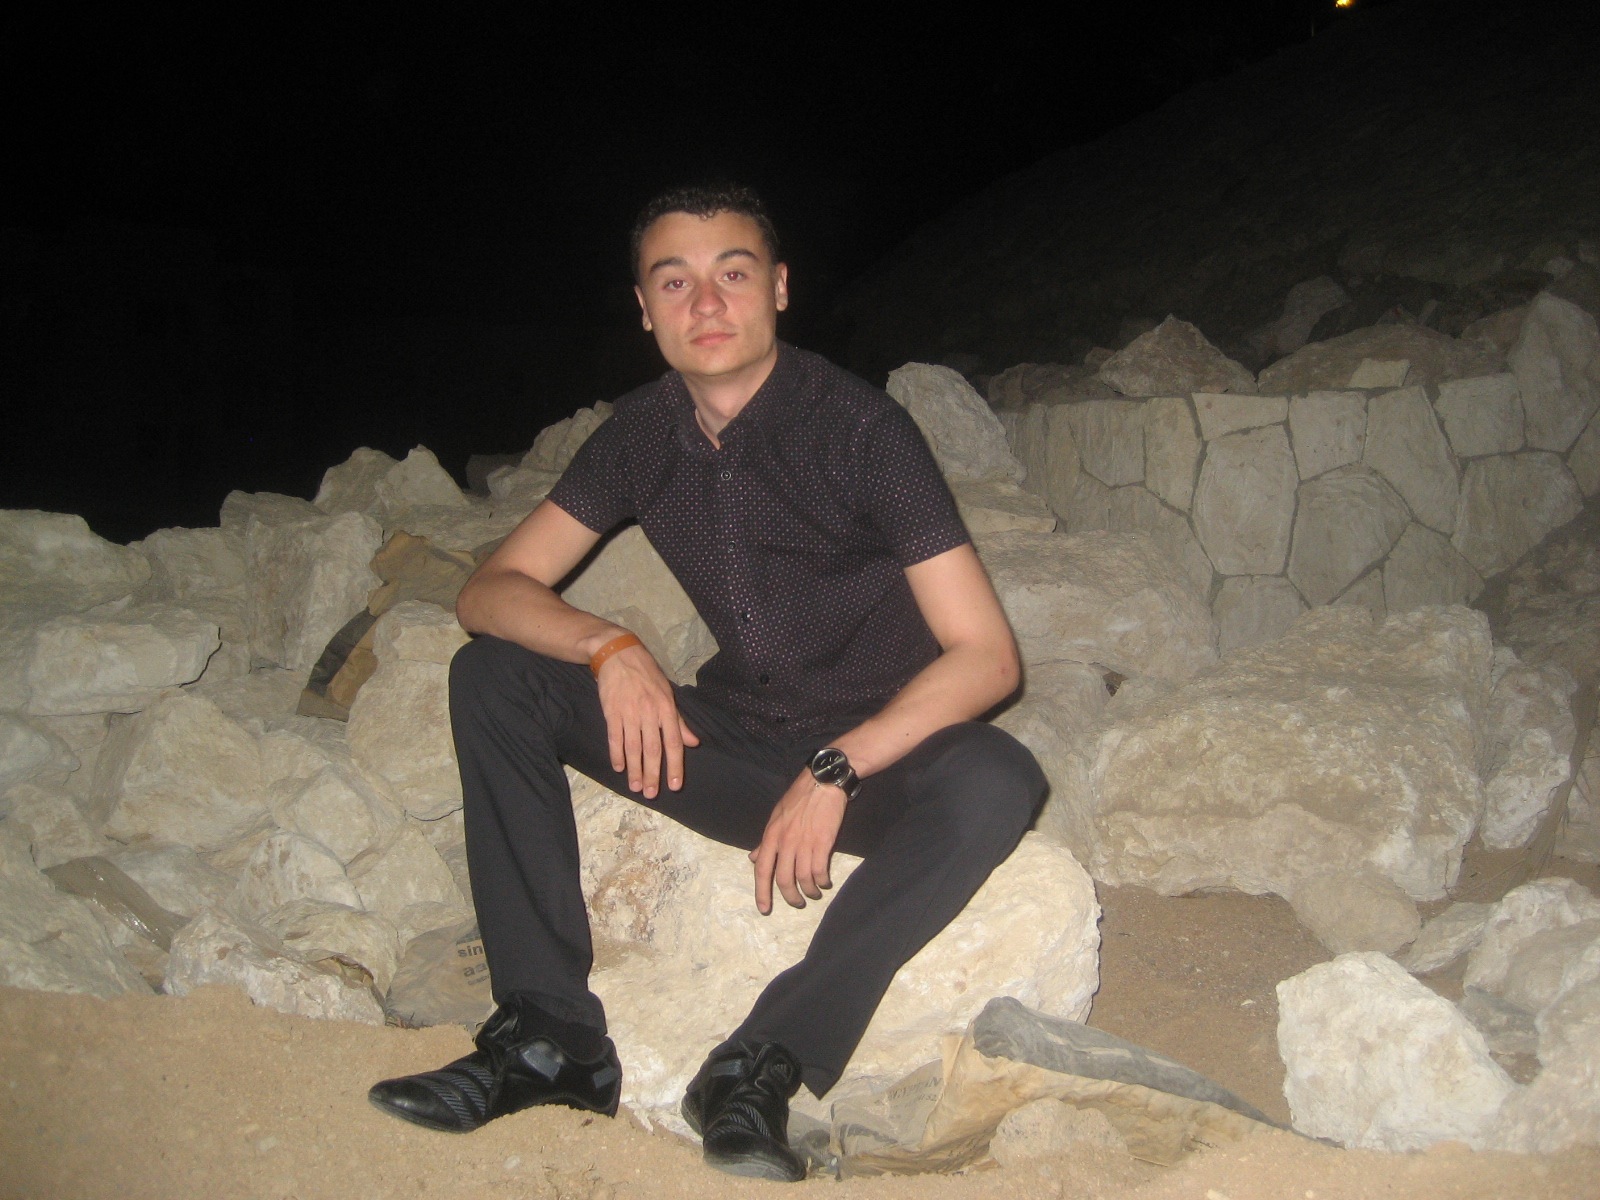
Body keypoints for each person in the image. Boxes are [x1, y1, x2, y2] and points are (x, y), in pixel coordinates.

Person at [368, 183, 1045, 1182]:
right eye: (674, 281)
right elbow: (489, 591)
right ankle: (551, 1042)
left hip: (872, 771)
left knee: (998, 777)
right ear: (645, 309)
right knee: (494, 675)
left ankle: (759, 1061)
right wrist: (608, 645)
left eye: (733, 273)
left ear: (778, 288)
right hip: (725, 746)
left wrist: (838, 766)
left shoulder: (862, 431)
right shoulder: (642, 434)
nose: (708, 303)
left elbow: (986, 656)